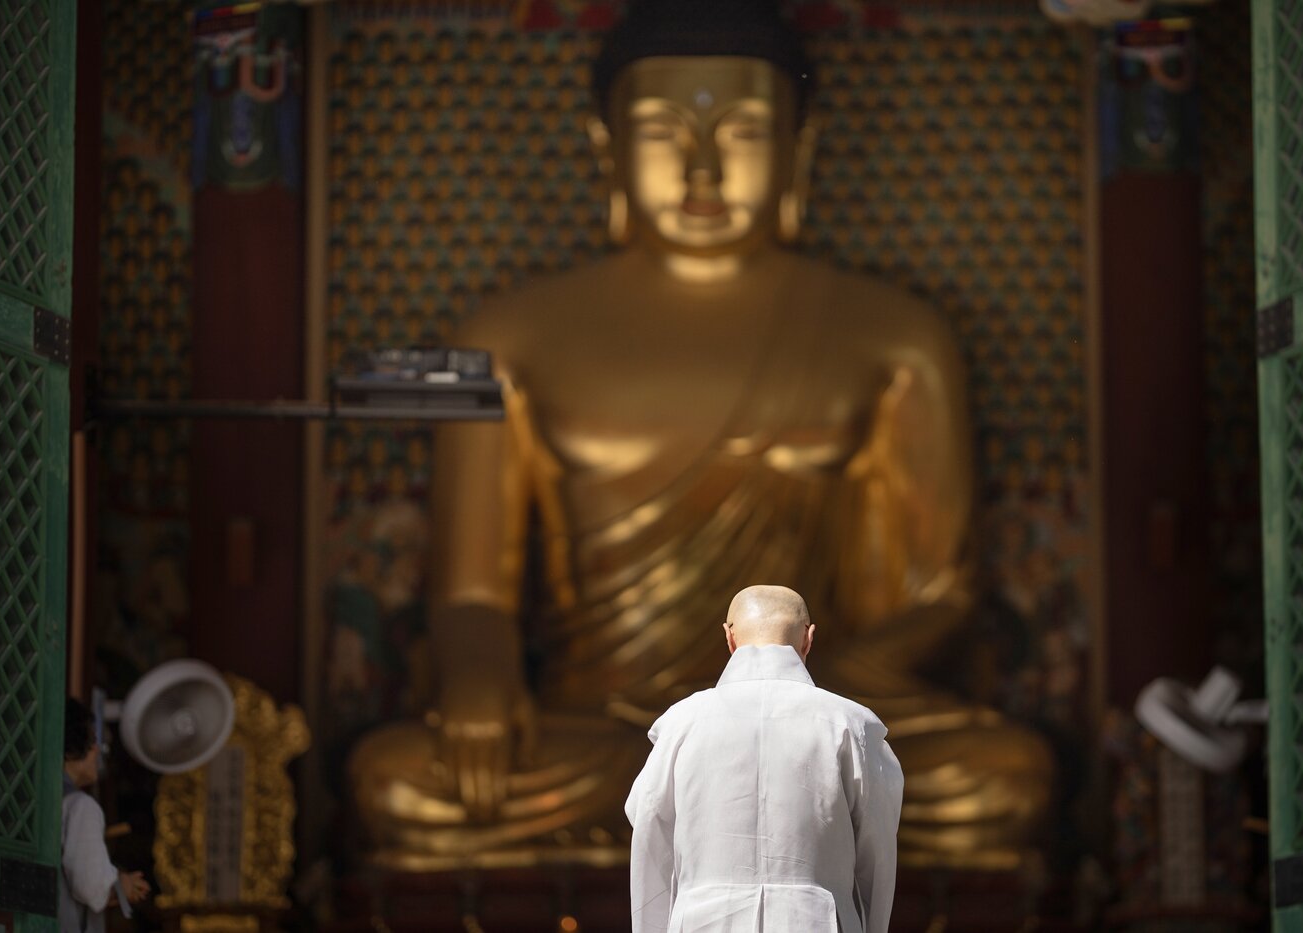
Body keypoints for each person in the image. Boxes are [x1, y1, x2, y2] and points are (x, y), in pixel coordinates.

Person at [350, 0, 1052, 868]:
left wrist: (807, 703)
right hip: (604, 733)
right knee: (395, 779)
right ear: (606, 147)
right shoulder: (511, 336)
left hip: (802, 725)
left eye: (748, 132)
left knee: (1006, 776)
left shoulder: (894, 337)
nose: (705, 167)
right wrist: (477, 678)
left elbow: (938, 595)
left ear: (802, 148)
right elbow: (473, 594)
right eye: (661, 131)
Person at [626, 586, 903, 933]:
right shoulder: (850, 725)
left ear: (728, 638)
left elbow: (651, 843)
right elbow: (877, 854)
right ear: (808, 639)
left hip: (703, 921)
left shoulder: (681, 724)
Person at [60, 698, 150, 933]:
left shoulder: (36, 797)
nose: (97, 750)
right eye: (91, 742)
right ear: (70, 751)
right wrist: (121, 885)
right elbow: (90, 886)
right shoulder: (81, 806)